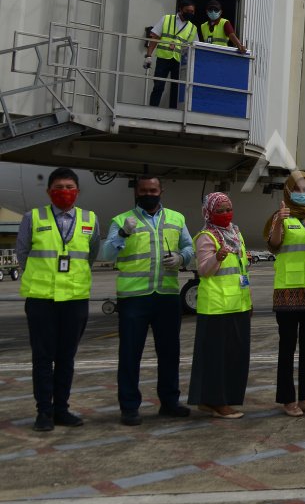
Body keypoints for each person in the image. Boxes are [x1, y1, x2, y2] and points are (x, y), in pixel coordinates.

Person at [99, 174, 194, 426]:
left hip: (166, 296)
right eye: (144, 190)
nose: (148, 194)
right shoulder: (121, 220)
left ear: (161, 190)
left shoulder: (177, 218)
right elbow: (106, 253)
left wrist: (181, 258)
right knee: (130, 355)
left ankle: (170, 403)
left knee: (169, 353)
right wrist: (122, 233)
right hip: (134, 298)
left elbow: (190, 248)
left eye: (153, 190)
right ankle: (129, 407)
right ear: (136, 193)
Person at [16, 168, 100, 432]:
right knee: (42, 357)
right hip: (42, 299)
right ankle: (44, 411)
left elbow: (91, 253)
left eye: (69, 187)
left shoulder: (90, 219)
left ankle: (62, 409)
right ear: (49, 191)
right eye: (59, 187)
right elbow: (23, 253)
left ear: (77, 190)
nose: (65, 192)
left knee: (66, 357)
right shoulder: (33, 217)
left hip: (74, 299)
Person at [265, 171, 305, 417]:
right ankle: (287, 399)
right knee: (287, 347)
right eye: (298, 189)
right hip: (288, 292)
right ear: (288, 192)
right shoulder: (281, 217)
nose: (303, 193)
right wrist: (279, 221)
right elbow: (274, 244)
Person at [188, 192, 251, 419]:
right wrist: (218, 258)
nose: (225, 214)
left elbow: (240, 269)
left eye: (228, 209)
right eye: (220, 210)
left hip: (238, 303)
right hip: (216, 306)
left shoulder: (235, 233)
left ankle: (207, 400)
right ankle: (219, 402)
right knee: (218, 358)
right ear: (209, 212)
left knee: (235, 356)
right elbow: (204, 270)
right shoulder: (206, 236)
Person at [145, 0, 198, 109]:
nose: (190, 13)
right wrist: (148, 56)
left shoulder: (193, 28)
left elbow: (194, 49)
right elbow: (155, 38)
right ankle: (151, 111)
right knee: (158, 86)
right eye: (187, 11)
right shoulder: (166, 19)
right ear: (180, 9)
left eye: (192, 11)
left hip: (179, 62)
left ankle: (174, 115)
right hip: (163, 58)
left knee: (177, 90)